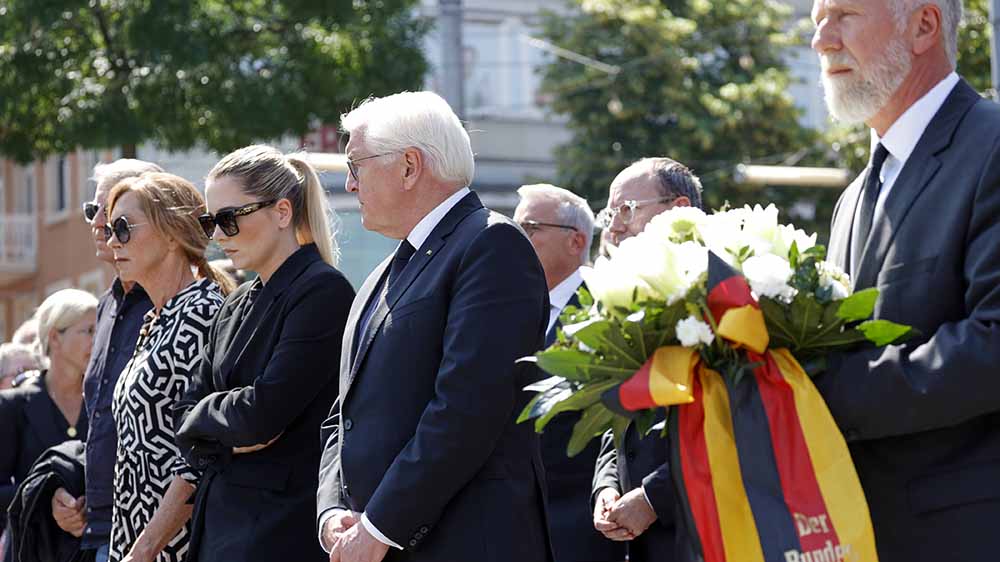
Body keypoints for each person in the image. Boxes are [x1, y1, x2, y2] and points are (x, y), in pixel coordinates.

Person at [315, 91, 552, 562]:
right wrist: (333, 509)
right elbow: (345, 412)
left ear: (408, 165)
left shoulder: (490, 244)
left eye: (356, 165)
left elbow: (466, 409)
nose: (349, 184)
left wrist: (380, 524)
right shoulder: (384, 272)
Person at [811, 1, 1000, 560]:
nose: (822, 42)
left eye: (844, 15)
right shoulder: (851, 198)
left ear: (923, 26)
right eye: (817, 21)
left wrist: (820, 395)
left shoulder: (991, 147)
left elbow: (993, 339)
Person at [172, 145, 354, 562]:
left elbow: (263, 414)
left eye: (228, 219)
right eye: (210, 221)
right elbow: (182, 414)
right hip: (221, 528)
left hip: (278, 532)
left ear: (282, 212)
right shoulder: (235, 303)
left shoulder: (322, 291)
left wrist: (209, 421)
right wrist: (222, 430)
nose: (217, 235)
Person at [104, 173, 231, 562]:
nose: (112, 242)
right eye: (110, 229)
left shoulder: (202, 314)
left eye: (123, 228)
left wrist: (144, 550)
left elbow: (200, 456)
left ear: (173, 233)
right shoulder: (157, 320)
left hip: (179, 549)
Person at [591, 157, 702, 562]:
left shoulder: (723, 293)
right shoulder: (624, 300)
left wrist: (655, 497)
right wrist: (607, 487)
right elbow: (617, 419)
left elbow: (739, 426)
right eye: (610, 213)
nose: (614, 226)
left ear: (679, 211)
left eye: (627, 211)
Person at [51, 159, 160, 562]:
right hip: (99, 529)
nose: (98, 223)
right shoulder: (105, 308)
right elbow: (103, 422)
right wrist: (66, 490)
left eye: (111, 213)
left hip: (153, 534)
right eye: (92, 210)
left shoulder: (177, 305)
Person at [513, 184, 624, 562]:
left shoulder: (607, 308)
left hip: (578, 523)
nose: (516, 239)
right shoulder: (508, 307)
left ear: (576, 241)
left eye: (529, 228)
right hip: (513, 520)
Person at [0, 289, 98, 560]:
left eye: (100, 331)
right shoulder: (12, 406)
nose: (97, 340)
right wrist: (46, 497)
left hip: (92, 552)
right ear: (55, 337)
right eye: (88, 330)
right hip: (30, 551)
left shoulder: (106, 404)